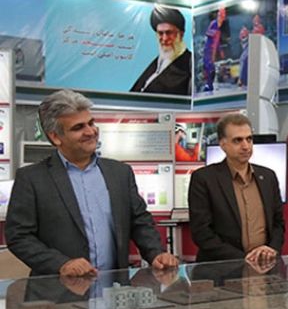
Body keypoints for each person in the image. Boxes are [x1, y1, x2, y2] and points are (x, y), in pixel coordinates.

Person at [6, 90, 178, 276]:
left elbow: (140, 221)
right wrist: (61, 264)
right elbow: (19, 237)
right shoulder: (32, 179)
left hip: (114, 287)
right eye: (78, 127)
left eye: (91, 123)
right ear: (55, 137)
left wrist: (155, 253)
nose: (90, 132)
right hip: (59, 289)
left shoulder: (120, 173)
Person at [188, 113, 284, 264]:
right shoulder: (204, 179)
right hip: (222, 269)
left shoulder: (268, 176)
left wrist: (271, 250)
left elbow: (278, 223)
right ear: (223, 144)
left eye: (249, 139)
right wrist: (243, 259)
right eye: (238, 140)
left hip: (265, 265)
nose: (245, 146)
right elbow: (202, 233)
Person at [131, 5, 192, 95]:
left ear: (181, 34)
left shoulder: (190, 63)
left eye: (169, 33)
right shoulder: (158, 63)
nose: (164, 38)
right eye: (160, 33)